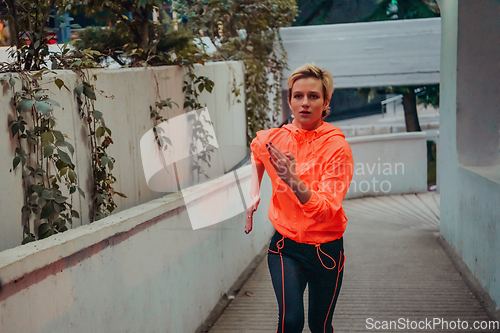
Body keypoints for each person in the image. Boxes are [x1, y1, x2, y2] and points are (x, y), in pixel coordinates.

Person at [245, 63, 353, 333]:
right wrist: (253, 193)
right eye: (298, 96)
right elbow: (256, 150)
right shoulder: (275, 139)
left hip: (326, 250)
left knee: (320, 325)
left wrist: (292, 179)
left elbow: (325, 210)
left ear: (326, 101)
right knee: (291, 321)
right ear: (290, 101)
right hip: (286, 247)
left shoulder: (337, 147)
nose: (305, 103)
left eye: (313, 96)